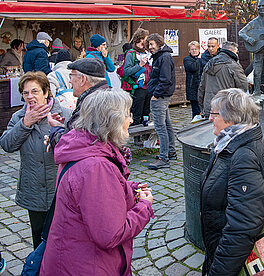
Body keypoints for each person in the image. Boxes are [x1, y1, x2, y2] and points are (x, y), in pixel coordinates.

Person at [40, 89, 154, 275]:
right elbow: (109, 234)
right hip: (85, 265)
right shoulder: (96, 167)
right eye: (127, 115)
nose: (131, 120)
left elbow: (88, 196)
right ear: (112, 120)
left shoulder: (84, 147)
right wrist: (144, 207)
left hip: (74, 257)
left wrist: (127, 189)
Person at [201, 88, 264, 275]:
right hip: (220, 247)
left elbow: (242, 227)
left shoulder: (243, 155)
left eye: (213, 114)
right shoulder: (230, 144)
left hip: (237, 259)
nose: (209, 119)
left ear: (230, 118)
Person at [0, 71, 62, 249]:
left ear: (46, 92)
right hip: (33, 189)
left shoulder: (62, 113)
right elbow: (7, 145)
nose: (30, 97)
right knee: (39, 240)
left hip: (58, 189)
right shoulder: (18, 117)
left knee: (62, 240)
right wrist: (25, 124)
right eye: (25, 93)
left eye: (35, 91)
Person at [48, 58, 109, 152]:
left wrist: (55, 129)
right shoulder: (106, 98)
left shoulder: (90, 106)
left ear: (83, 79)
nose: (70, 81)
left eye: (71, 76)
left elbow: (69, 144)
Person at [146, 33, 177, 170]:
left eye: (152, 44)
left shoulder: (164, 57)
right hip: (162, 95)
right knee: (166, 124)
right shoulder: (162, 56)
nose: (150, 47)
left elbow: (165, 79)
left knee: (160, 127)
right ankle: (170, 151)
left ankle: (164, 157)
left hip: (160, 97)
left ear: (159, 43)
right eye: (149, 45)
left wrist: (156, 95)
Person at [198, 41, 248, 118]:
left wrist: (203, 107)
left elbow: (201, 88)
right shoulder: (233, 65)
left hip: (210, 107)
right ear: (232, 51)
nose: (237, 54)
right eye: (236, 51)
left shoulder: (209, 63)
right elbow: (243, 88)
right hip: (226, 108)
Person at [123, 28, 152, 125]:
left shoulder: (147, 53)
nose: (148, 42)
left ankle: (146, 135)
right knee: (137, 114)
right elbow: (126, 72)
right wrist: (139, 65)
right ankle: (137, 137)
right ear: (141, 39)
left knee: (146, 113)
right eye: (146, 39)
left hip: (149, 87)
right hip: (138, 88)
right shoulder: (131, 54)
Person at [47, 49, 76, 120]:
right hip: (76, 110)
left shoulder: (52, 75)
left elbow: (51, 96)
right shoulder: (76, 74)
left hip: (60, 113)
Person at [184, 41, 202, 118]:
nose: (194, 51)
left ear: (199, 50)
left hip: (201, 86)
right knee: (195, 110)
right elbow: (193, 67)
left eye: (196, 49)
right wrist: (199, 59)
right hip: (192, 87)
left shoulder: (203, 58)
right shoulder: (187, 59)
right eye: (192, 49)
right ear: (189, 51)